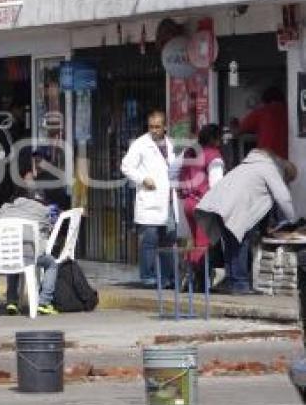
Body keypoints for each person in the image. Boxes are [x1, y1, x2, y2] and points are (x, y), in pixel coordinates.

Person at [195, 149, 297, 294]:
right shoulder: (271, 169)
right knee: (239, 244)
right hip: (236, 207)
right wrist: (292, 221)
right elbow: (283, 197)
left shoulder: (249, 165)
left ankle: (232, 281)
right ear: (284, 173)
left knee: (231, 245)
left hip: (218, 204)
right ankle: (240, 284)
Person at [121, 110, 177, 288]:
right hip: (150, 200)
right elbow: (126, 166)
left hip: (168, 200)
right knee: (150, 240)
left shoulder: (170, 144)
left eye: (157, 127)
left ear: (165, 127)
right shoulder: (140, 144)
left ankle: (168, 277)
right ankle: (148, 276)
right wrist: (143, 179)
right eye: (151, 127)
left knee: (169, 240)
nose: (154, 130)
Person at [0, 195, 61, 316]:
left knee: (13, 259)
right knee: (51, 264)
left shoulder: (5, 209)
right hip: (30, 255)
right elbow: (48, 227)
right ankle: (44, 302)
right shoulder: (41, 211)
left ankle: (11, 301)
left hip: (6, 254)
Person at [178, 124, 225, 272]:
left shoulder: (190, 153)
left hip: (188, 204)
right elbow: (216, 185)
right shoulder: (214, 156)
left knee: (195, 242)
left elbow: (178, 174)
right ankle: (197, 281)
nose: (222, 142)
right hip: (204, 205)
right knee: (203, 245)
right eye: (220, 138)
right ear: (214, 139)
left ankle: (190, 276)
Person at [233, 86, 288, 159]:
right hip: (286, 159)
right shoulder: (288, 112)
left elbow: (237, 131)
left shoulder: (261, 112)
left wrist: (233, 124)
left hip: (266, 158)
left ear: (264, 100)